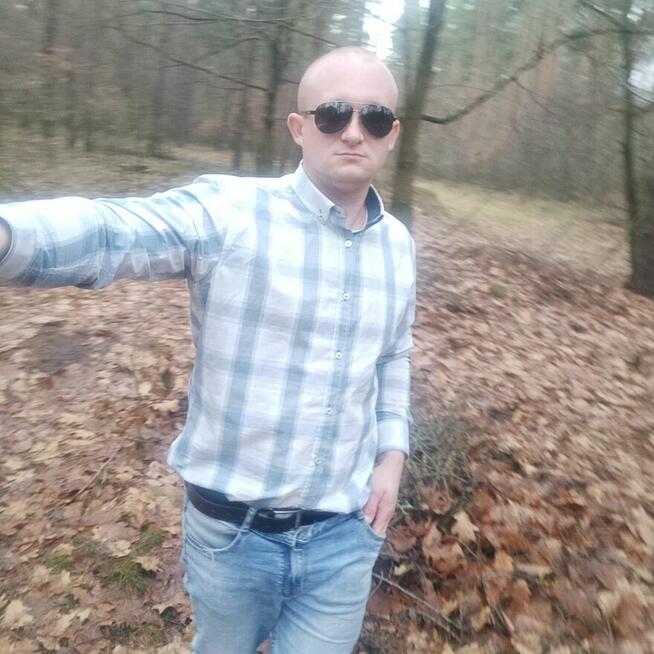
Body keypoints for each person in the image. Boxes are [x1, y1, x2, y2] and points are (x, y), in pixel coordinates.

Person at [0, 47, 415, 653]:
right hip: (232, 538)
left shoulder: (398, 244)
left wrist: (392, 453)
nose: (354, 132)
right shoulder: (229, 214)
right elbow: (115, 230)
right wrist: (9, 237)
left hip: (345, 539)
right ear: (299, 128)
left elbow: (393, 354)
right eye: (333, 114)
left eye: (373, 118)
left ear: (392, 134)